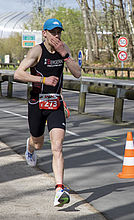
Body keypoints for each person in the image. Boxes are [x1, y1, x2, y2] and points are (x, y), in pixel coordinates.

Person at [14, 18, 81, 207]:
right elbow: (18, 74)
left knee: (57, 147)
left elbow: (77, 73)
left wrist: (65, 55)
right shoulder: (37, 50)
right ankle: (30, 145)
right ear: (44, 33)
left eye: (59, 31)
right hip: (37, 103)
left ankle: (59, 189)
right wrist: (42, 81)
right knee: (39, 143)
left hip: (56, 104)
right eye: (53, 32)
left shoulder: (63, 48)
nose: (56, 35)